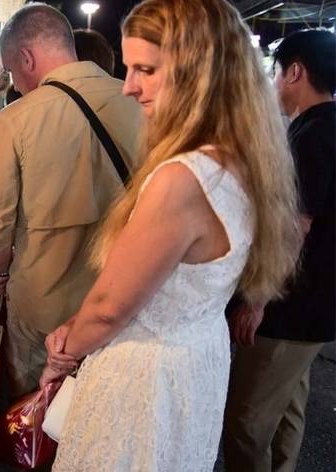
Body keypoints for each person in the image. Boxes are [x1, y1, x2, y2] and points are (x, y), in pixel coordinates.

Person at [40, 1, 304, 470]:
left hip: (146, 377)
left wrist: (63, 353)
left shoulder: (184, 177)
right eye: (129, 67)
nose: (129, 86)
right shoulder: (242, 160)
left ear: (198, 71)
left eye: (146, 69)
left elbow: (108, 308)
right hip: (194, 362)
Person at [0, 3, 142, 401]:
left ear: (27, 57)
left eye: (14, 71)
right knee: (98, 408)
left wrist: (0, 274)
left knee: (33, 410)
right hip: (122, 300)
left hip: (42, 305)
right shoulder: (142, 107)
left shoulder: (16, 120)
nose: (15, 84)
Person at [223, 29, 336, 472]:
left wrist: (256, 300)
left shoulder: (312, 136)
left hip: (289, 308)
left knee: (247, 420)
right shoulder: (323, 127)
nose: (271, 84)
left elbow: (295, 228)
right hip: (314, 309)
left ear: (294, 72)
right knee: (287, 409)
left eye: (275, 72)